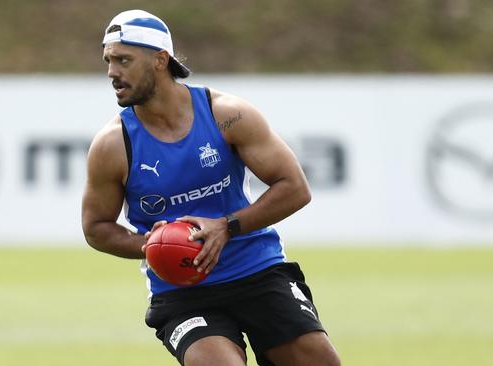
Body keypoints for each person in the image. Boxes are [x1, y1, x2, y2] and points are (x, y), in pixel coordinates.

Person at [81, 9, 341, 366]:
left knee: (319, 361)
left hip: (257, 271)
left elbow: (295, 187)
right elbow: (96, 228)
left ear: (160, 60)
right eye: (109, 61)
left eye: (124, 60)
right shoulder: (113, 145)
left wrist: (226, 227)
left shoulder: (226, 115)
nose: (112, 72)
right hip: (183, 292)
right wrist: (152, 244)